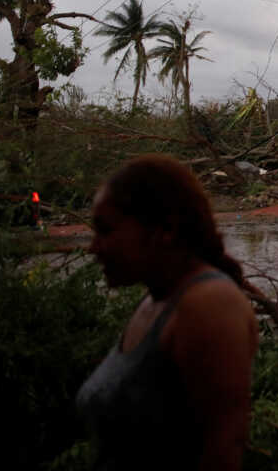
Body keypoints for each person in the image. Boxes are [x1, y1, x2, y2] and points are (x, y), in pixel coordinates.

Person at [77, 155, 259, 471]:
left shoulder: (208, 305)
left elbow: (222, 451)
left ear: (164, 230)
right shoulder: (154, 302)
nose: (93, 248)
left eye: (106, 231)